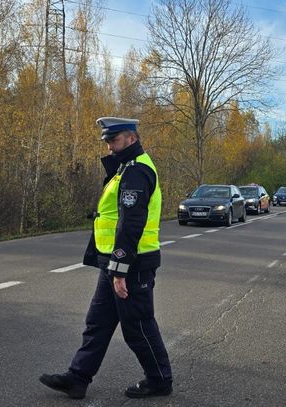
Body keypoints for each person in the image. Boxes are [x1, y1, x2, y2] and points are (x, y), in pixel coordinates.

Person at [39, 117, 173, 399]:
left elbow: (131, 222)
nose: (110, 147)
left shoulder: (137, 171)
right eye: (107, 142)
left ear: (131, 139)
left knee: (137, 325)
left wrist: (121, 268)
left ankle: (160, 380)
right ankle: (78, 378)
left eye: (114, 141)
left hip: (132, 263)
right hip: (113, 262)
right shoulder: (124, 169)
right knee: (97, 322)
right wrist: (114, 265)